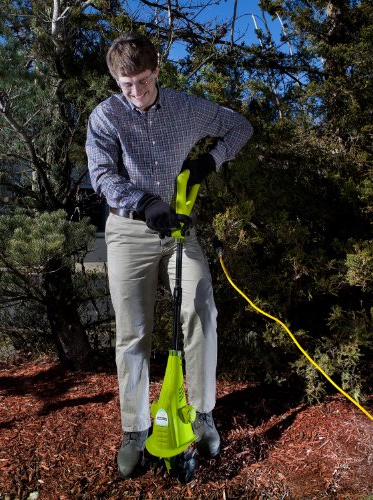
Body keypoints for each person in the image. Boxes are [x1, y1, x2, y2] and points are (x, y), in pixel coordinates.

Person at [86, 31, 253, 478]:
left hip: (179, 230)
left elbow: (240, 126)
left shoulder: (186, 107)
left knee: (202, 309)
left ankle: (202, 413)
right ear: (116, 82)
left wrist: (209, 161)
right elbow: (101, 174)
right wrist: (144, 202)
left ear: (156, 70)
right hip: (129, 231)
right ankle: (135, 428)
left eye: (143, 81)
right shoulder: (106, 116)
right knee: (133, 332)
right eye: (126, 85)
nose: (136, 92)